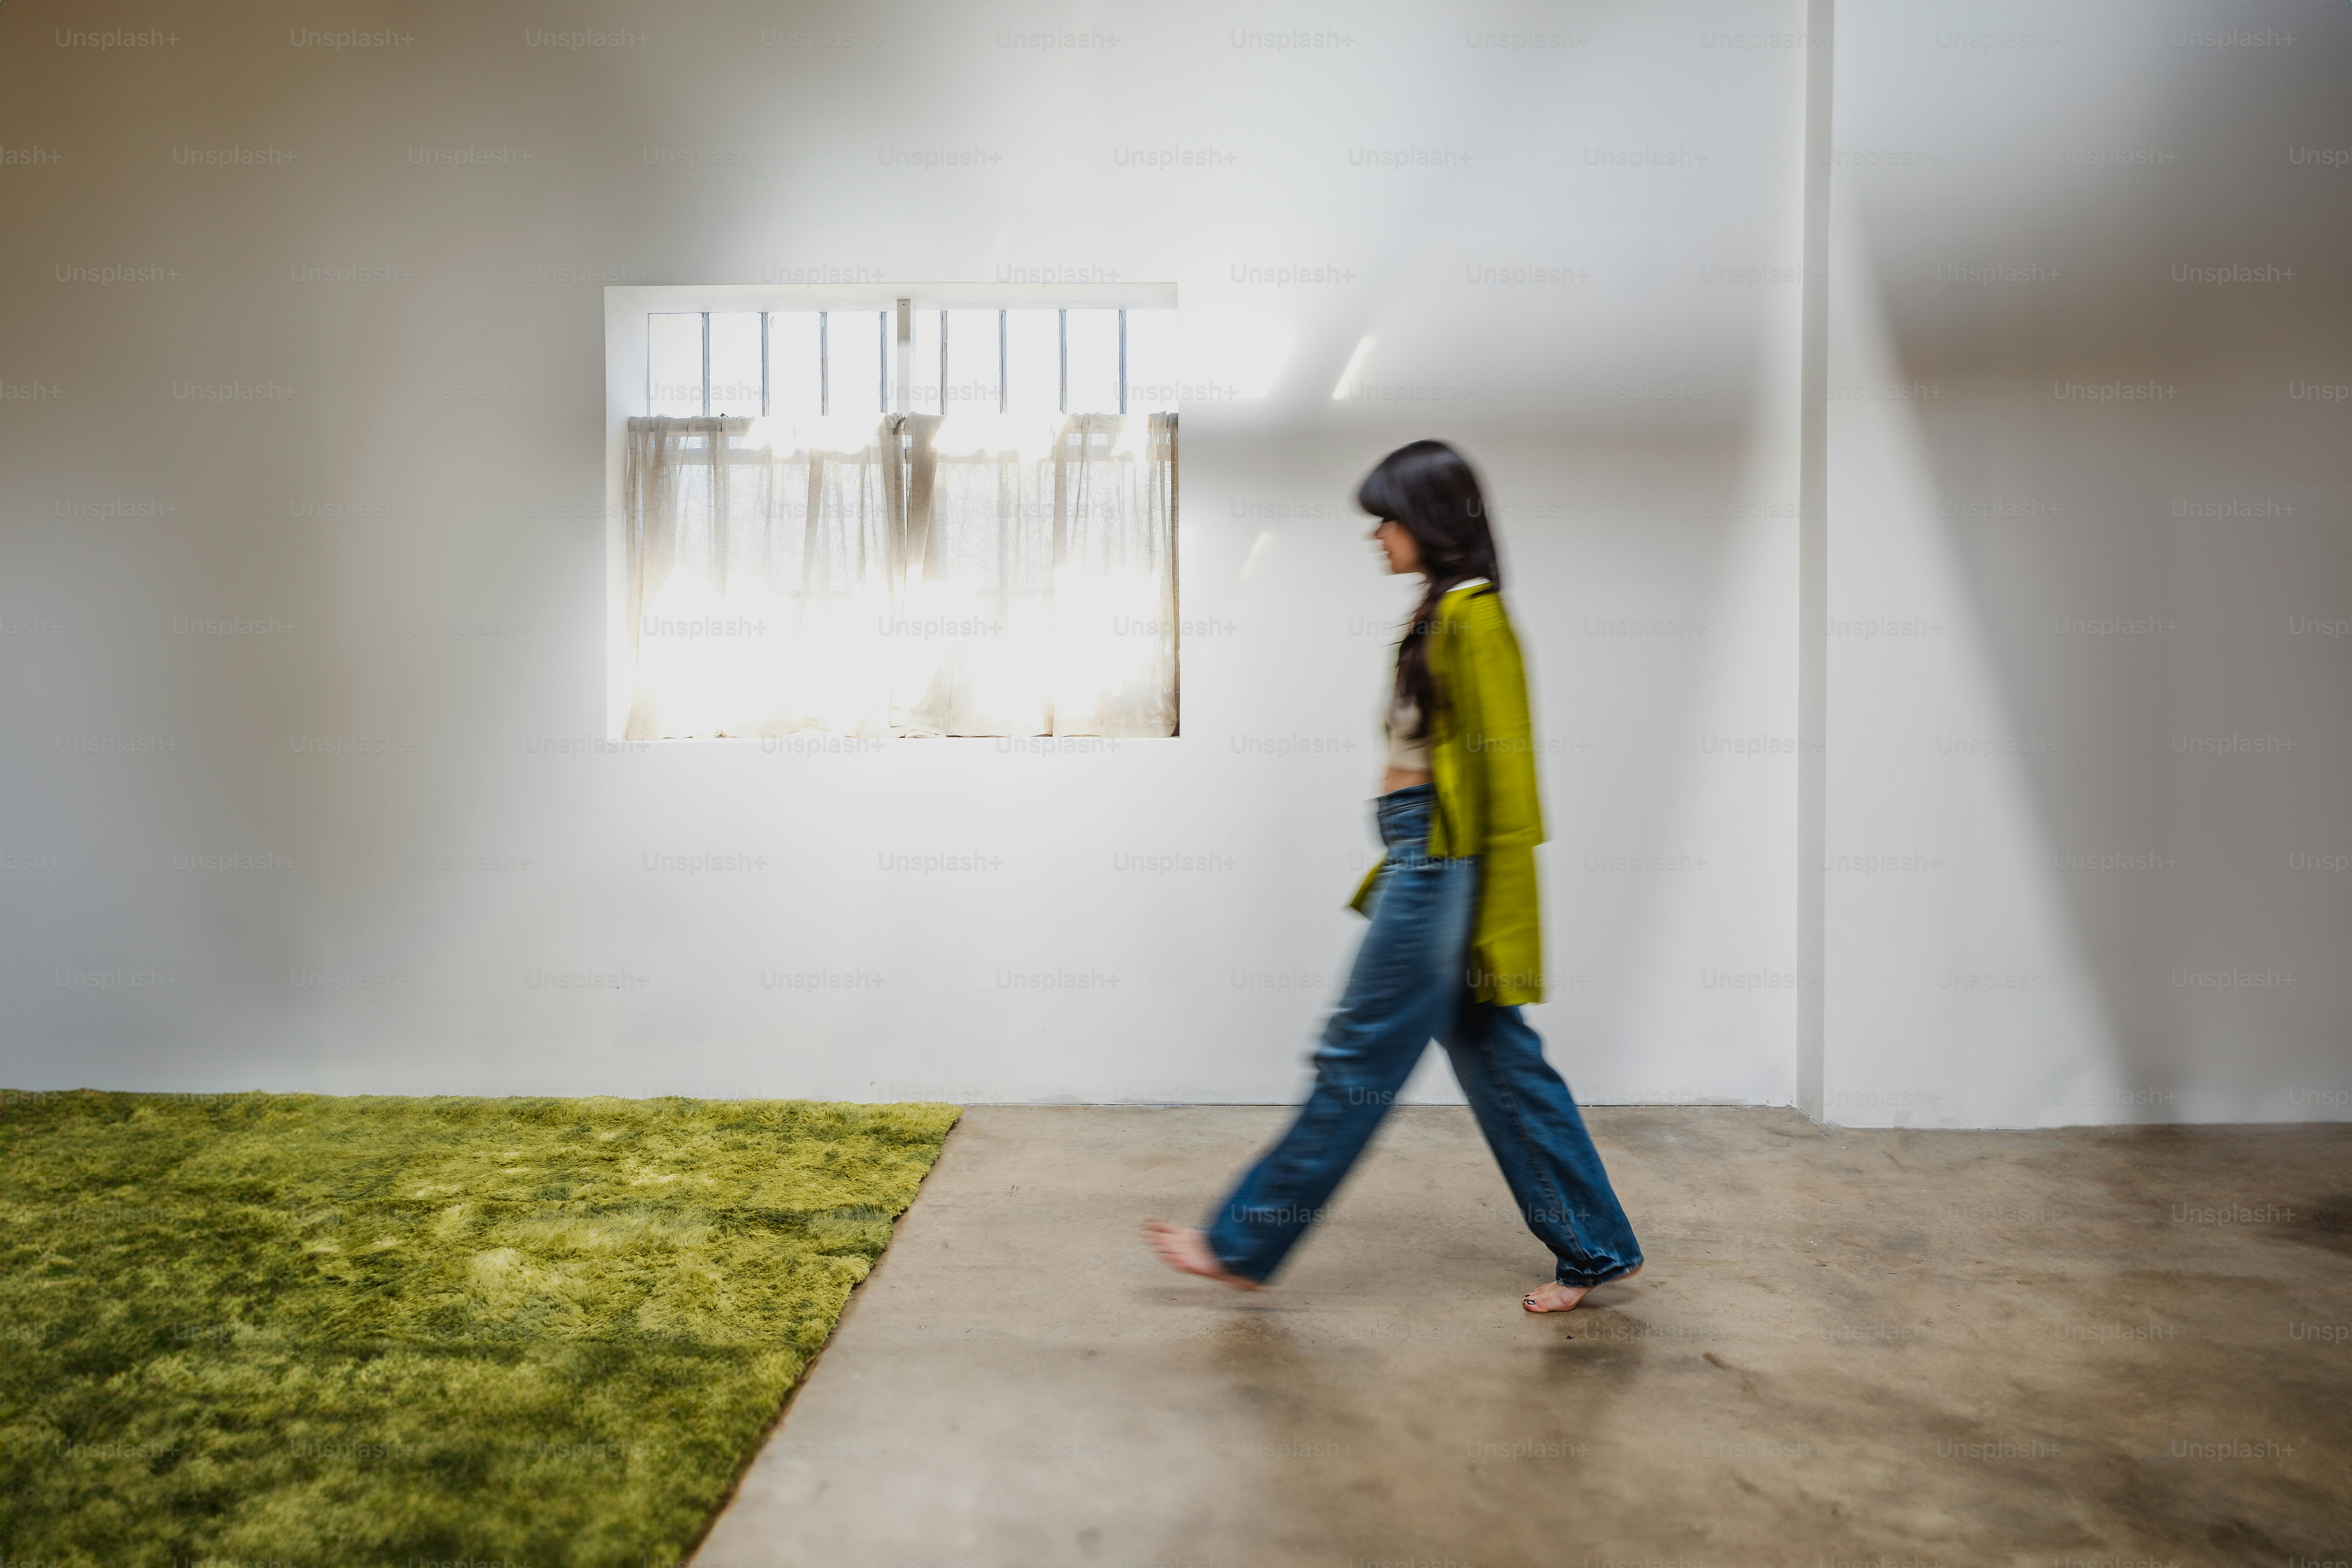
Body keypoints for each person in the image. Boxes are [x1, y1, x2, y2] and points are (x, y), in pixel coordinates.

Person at [1144, 440, 1643, 1313]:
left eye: (1388, 516)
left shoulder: (1473, 617)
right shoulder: (1437, 609)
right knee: (1503, 1064)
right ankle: (1596, 1250)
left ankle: (1241, 1241)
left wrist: (1487, 915)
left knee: (1357, 1053)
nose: (1376, 534)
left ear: (1431, 521)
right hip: (1422, 851)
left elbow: (1506, 785)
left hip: (1443, 864)